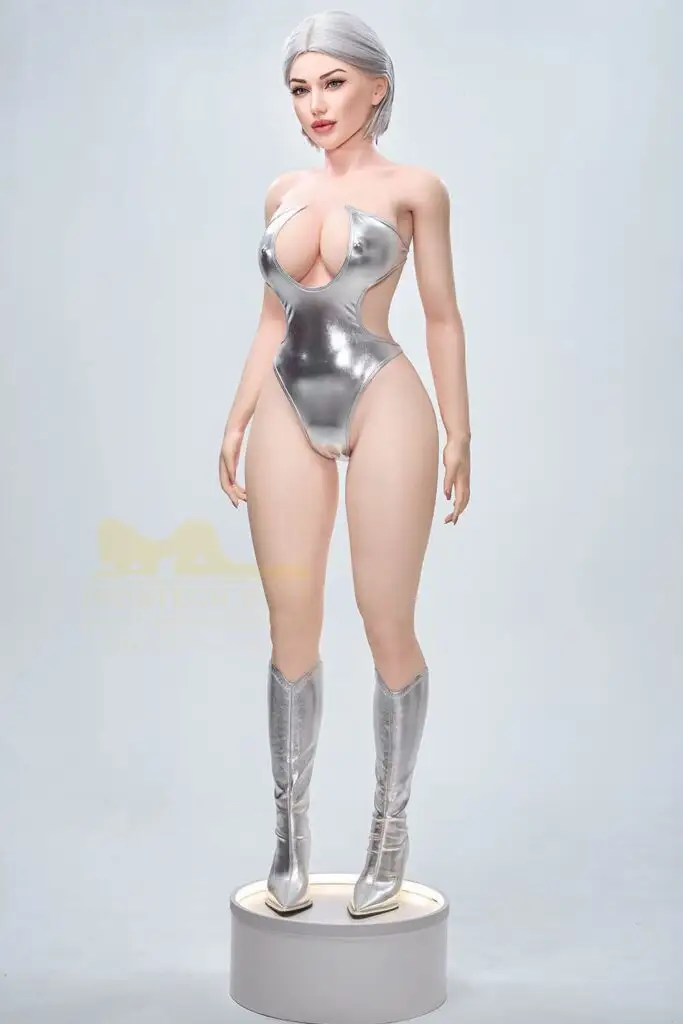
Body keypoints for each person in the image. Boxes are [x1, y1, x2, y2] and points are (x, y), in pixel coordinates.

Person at [218, 10, 471, 919]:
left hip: (384, 395)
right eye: (298, 88)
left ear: (376, 86)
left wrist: (460, 429)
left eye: (331, 83)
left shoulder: (416, 188)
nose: (314, 105)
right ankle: (289, 833)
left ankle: (388, 832)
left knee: (383, 616)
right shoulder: (283, 192)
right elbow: (272, 319)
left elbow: (440, 315)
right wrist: (236, 417)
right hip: (287, 399)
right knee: (289, 619)